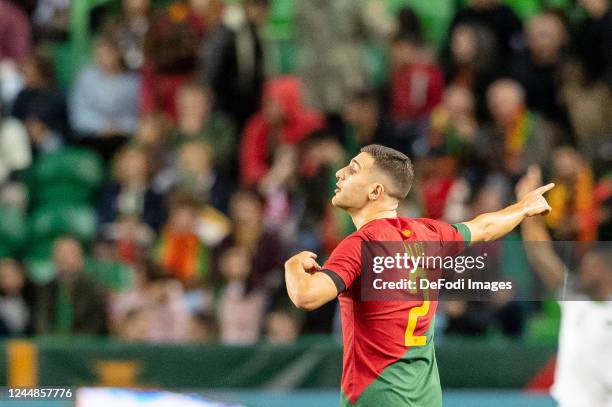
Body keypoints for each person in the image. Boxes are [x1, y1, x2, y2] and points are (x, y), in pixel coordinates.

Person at [284, 144, 554, 406]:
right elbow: (484, 227)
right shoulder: (429, 234)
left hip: (377, 396)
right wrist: (523, 207)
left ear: (375, 191)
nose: (339, 173)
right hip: (425, 398)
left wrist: (292, 266)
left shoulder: (361, 244)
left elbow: (306, 296)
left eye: (352, 170)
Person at [518, 166, 612, 407]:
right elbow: (540, 252)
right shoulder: (576, 300)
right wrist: (526, 209)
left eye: (590, 265)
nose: (583, 270)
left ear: (607, 271)